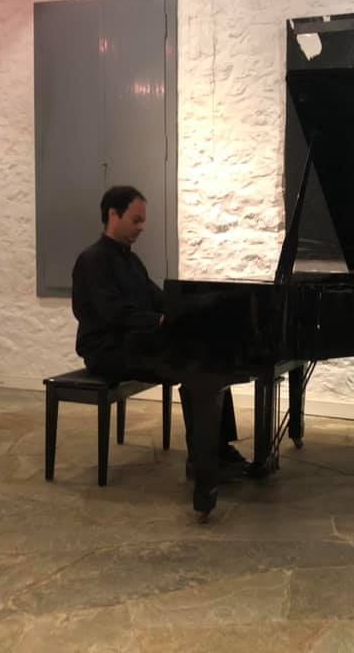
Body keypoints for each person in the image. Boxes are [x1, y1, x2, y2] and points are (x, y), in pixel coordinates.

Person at [71, 185, 245, 516]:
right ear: (113, 214)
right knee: (196, 365)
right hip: (107, 350)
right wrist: (160, 321)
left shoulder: (131, 260)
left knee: (213, 357)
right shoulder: (92, 260)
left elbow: (157, 299)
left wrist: (190, 310)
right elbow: (112, 313)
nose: (142, 227)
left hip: (134, 342)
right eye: (136, 220)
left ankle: (217, 450)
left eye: (143, 221)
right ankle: (203, 460)